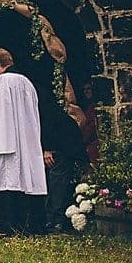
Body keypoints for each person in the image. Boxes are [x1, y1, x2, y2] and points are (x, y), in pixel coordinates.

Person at [0, 48, 46, 235]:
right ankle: (31, 225)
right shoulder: (27, 82)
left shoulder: (1, 81)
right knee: (26, 179)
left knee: (9, 178)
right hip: (27, 139)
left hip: (8, 140)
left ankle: (9, 224)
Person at [40, 99, 89, 233]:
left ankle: (56, 221)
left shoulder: (44, 103)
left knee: (58, 181)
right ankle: (52, 219)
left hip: (62, 143)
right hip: (61, 141)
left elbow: (48, 121)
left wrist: (48, 148)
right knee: (55, 180)